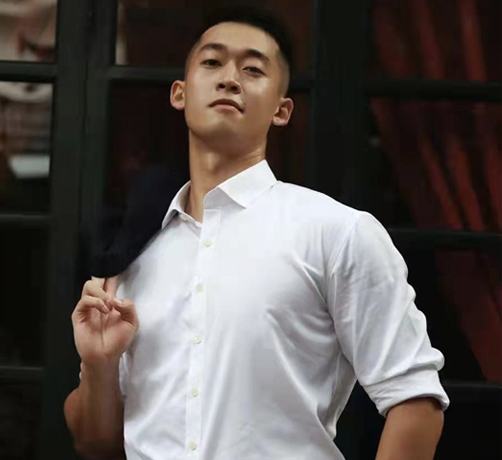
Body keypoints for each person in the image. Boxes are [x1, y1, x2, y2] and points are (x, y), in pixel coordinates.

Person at [64, 6, 450, 460]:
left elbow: (415, 401)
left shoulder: (336, 232)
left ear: (282, 111)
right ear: (179, 93)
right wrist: (99, 363)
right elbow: (95, 442)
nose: (230, 79)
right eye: (212, 62)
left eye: (253, 69)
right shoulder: (133, 253)